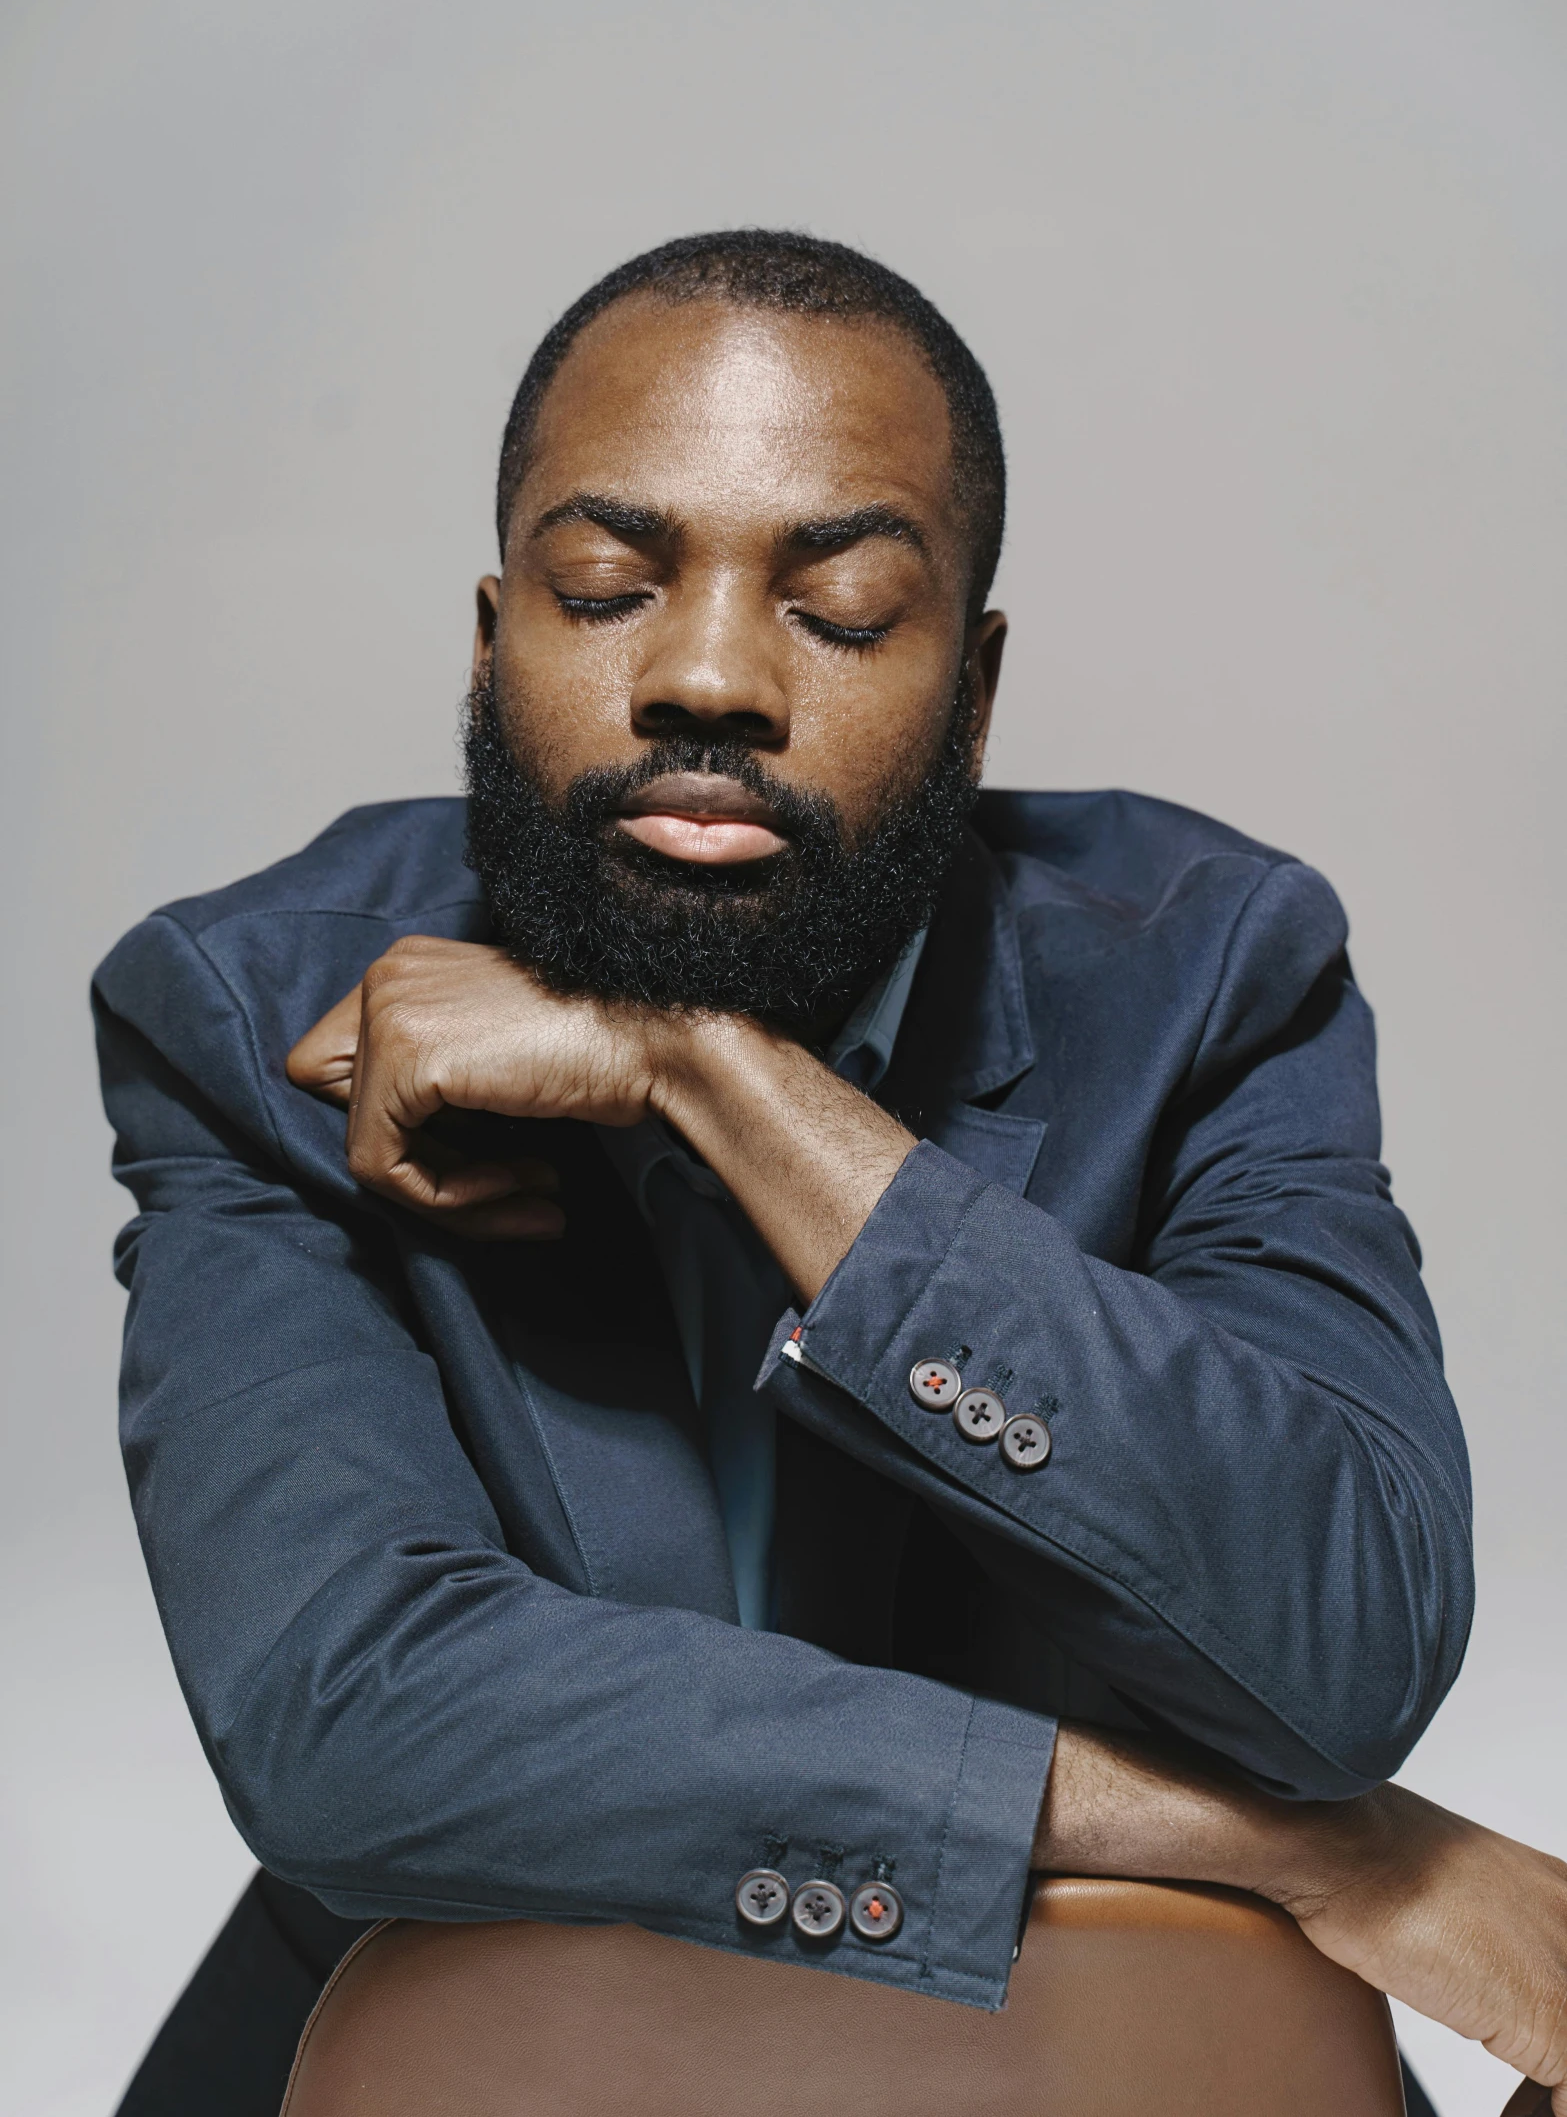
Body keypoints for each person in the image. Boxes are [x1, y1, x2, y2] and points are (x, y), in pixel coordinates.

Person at [96, 231, 1566, 2116]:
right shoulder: (248, 1015)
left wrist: (701, 1066)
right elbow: (350, 1717)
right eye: (607, 586)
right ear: (491, 643)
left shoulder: (1208, 972)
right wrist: (1286, 1843)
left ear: (974, 686)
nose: (707, 674)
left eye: (847, 610)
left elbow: (1336, 1632)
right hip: (440, 2052)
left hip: (1100, 2065)